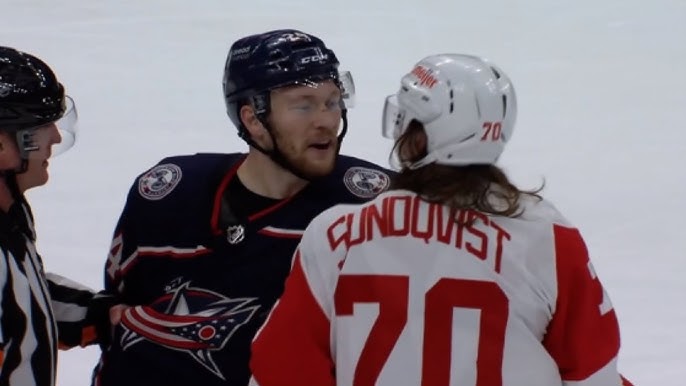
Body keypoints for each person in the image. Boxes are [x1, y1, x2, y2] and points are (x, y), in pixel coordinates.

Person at [249, 54, 634, 386]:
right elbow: (593, 373)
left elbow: (281, 369)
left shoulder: (336, 236)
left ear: (418, 139)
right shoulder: (547, 237)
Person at [92, 29, 392, 386]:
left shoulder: (374, 209)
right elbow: (115, 311)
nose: (327, 119)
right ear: (253, 120)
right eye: (303, 105)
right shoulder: (167, 196)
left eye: (331, 101)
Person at [0, 46, 117, 386]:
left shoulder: (11, 211)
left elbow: (18, 300)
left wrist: (96, 314)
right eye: (40, 125)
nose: (54, 136)